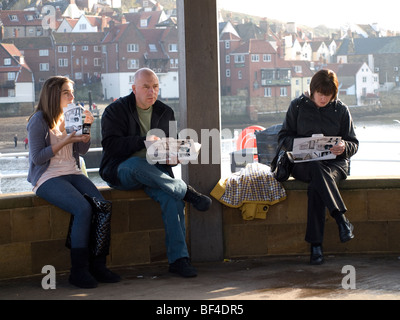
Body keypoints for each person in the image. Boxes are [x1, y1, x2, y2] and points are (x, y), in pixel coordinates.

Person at [100, 68, 212, 278]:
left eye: (155, 87)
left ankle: (179, 260)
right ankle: (186, 190)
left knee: (174, 200)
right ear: (134, 89)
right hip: (122, 169)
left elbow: (169, 145)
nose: (152, 91)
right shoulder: (115, 110)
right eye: (146, 87)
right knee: (135, 164)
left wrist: (176, 155)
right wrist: (142, 142)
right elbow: (110, 145)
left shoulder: (165, 112)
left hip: (156, 174)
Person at [27, 76, 120, 288]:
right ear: (53, 95)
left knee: (102, 206)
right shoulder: (38, 120)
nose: (72, 97)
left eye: (72, 92)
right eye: (67, 93)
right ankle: (78, 271)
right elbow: (37, 158)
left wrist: (85, 133)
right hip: (47, 176)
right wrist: (66, 139)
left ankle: (98, 265)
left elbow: (81, 151)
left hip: (72, 171)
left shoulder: (71, 116)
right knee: (82, 209)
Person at [277, 69, 359, 265]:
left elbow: (353, 143)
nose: (323, 98)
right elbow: (283, 138)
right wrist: (301, 144)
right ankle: (341, 219)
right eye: (320, 93)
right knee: (314, 166)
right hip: (303, 163)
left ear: (334, 93)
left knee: (317, 184)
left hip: (334, 165)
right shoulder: (297, 106)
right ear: (312, 90)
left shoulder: (341, 110)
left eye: (328, 94)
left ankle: (316, 246)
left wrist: (343, 147)